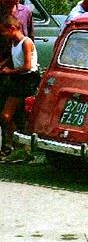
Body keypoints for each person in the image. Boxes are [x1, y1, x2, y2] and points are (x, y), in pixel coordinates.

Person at [0, 15, 40, 163]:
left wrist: (9, 72)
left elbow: (27, 66)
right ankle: (20, 148)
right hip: (18, 80)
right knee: (15, 116)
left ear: (12, 28)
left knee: (7, 116)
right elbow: (14, 57)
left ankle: (22, 148)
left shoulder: (26, 42)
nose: (3, 35)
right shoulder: (13, 42)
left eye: (4, 31)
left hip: (27, 80)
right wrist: (4, 64)